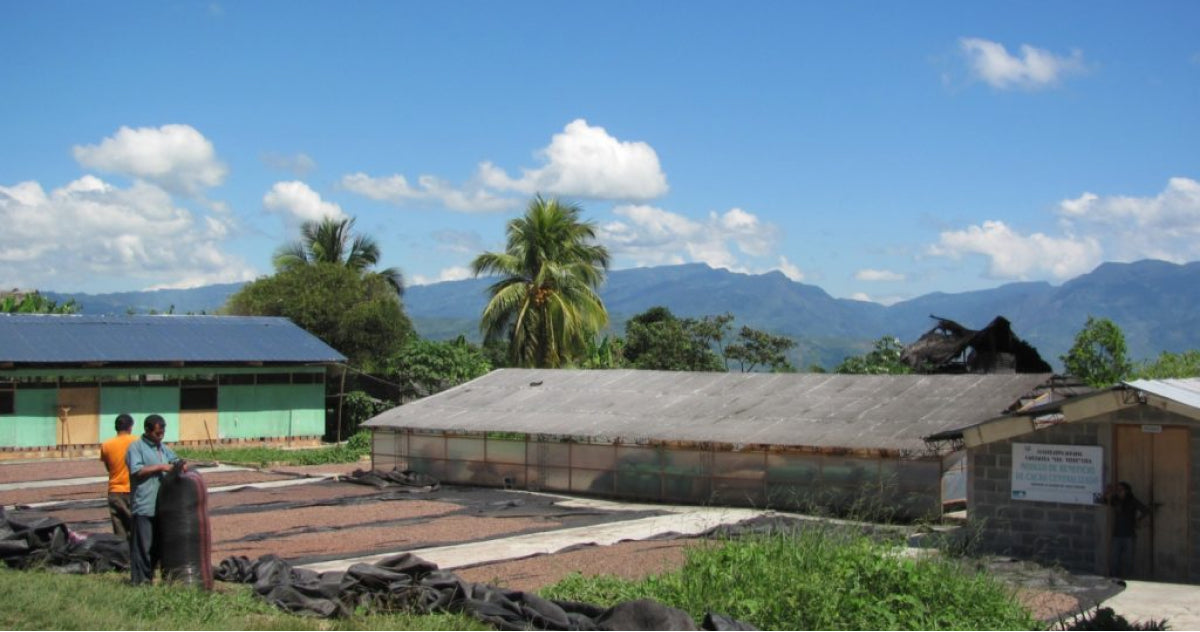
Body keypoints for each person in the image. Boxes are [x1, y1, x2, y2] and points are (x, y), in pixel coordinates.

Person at [126, 414, 185, 585]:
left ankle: (150, 576)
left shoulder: (162, 448)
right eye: (157, 433)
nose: (161, 436)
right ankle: (140, 581)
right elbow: (137, 471)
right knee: (142, 547)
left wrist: (180, 465)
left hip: (161, 506)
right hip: (144, 505)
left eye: (162, 433)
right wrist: (160, 466)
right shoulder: (136, 448)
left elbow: (175, 460)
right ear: (147, 430)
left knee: (156, 547)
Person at [98, 413, 138, 541]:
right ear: (130, 427)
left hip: (115, 492)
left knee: (119, 532)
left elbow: (109, 468)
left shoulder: (106, 445)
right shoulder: (138, 442)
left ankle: (122, 558)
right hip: (134, 490)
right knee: (137, 530)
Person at [1104, 481, 1151, 580]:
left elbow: (1146, 510)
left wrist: (1138, 520)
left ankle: (1127, 577)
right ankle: (1113, 576)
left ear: (1127, 491)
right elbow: (1104, 500)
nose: (1119, 492)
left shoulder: (1132, 501)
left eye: (1121, 490)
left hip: (1129, 534)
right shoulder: (1115, 500)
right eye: (1117, 490)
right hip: (1117, 534)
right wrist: (1108, 492)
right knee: (1114, 558)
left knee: (1128, 559)